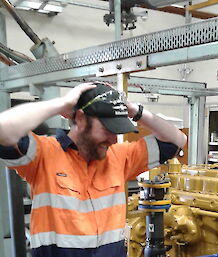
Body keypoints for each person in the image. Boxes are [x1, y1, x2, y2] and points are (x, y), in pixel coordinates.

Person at [0, 82, 187, 257]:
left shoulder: (119, 156)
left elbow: (177, 141)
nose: (114, 140)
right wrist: (62, 104)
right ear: (81, 118)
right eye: (108, 130)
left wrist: (133, 110)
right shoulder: (43, 154)